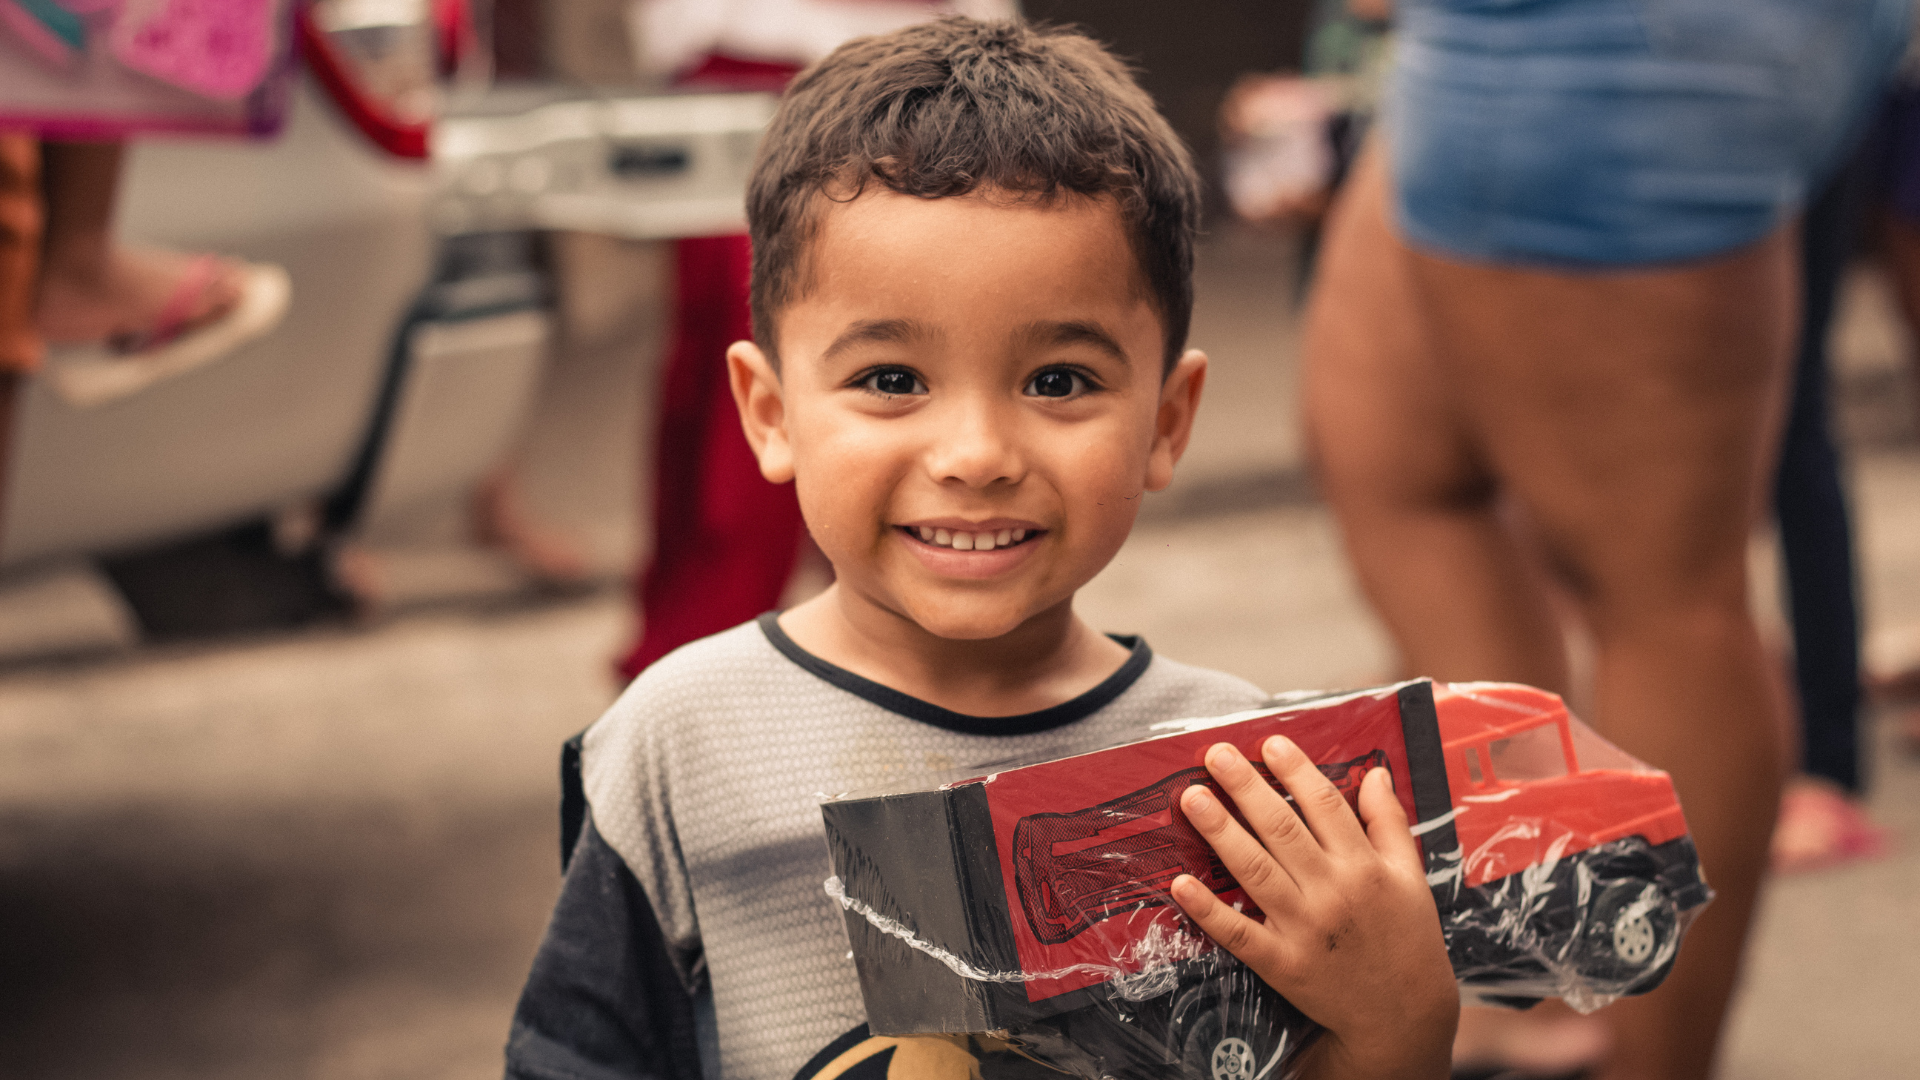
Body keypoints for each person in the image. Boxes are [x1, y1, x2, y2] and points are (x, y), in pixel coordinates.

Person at [502, 18, 1457, 1080]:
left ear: (1168, 422)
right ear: (769, 414)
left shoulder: (1230, 764)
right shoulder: (682, 742)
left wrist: (1396, 1028)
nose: (976, 455)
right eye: (891, 380)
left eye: (1059, 381)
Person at [1301, 1, 1907, 1078]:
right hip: (1519, 35)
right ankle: (1532, 979)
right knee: (1394, 461)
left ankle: (1649, 1056)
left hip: (1612, 35)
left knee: (1663, 595)